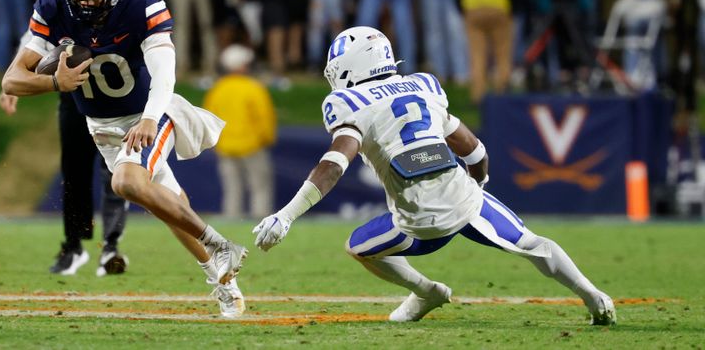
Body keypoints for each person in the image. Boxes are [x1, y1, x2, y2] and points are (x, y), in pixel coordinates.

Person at [252, 26, 616, 326]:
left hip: (416, 224)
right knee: (532, 245)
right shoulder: (423, 85)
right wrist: (478, 184)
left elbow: (334, 164)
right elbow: (474, 149)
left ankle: (427, 292)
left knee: (359, 247)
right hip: (467, 203)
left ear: (349, 68)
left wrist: (285, 216)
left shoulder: (348, 102)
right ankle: (594, 297)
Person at [0, 0, 247, 318]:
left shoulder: (142, 6)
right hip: (101, 127)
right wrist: (55, 83)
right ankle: (224, 283)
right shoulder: (52, 9)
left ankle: (218, 243)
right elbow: (11, 80)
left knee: (126, 184)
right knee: (172, 207)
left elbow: (165, 72)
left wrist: (150, 117)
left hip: (148, 114)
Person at [0, 0, 133, 277]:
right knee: (74, 170)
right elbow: (35, 38)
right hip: (74, 91)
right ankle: (73, 245)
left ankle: (111, 246)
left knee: (115, 172)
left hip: (116, 97)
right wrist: (19, 79)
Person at [203, 44, 276, 218]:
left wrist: (214, 143)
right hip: (252, 146)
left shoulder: (217, 90)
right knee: (260, 187)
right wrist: (266, 139)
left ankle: (231, 220)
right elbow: (264, 118)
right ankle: (261, 221)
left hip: (225, 147)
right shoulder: (254, 88)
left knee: (232, 189)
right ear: (243, 66)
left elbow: (207, 118)